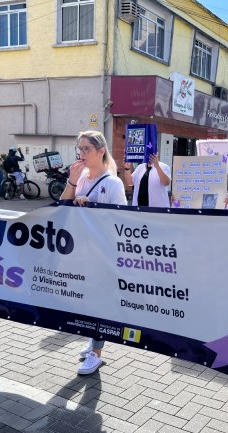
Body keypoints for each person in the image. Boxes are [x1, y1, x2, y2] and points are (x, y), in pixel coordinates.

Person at [60, 130, 127, 375]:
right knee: (87, 302)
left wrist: (92, 207)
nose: (81, 153)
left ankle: (96, 354)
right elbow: (62, 207)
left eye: (87, 149)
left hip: (103, 254)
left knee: (99, 303)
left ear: (101, 151)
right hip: (81, 251)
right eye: (79, 149)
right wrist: (72, 181)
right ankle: (93, 340)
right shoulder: (83, 177)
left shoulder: (112, 183)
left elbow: (121, 220)